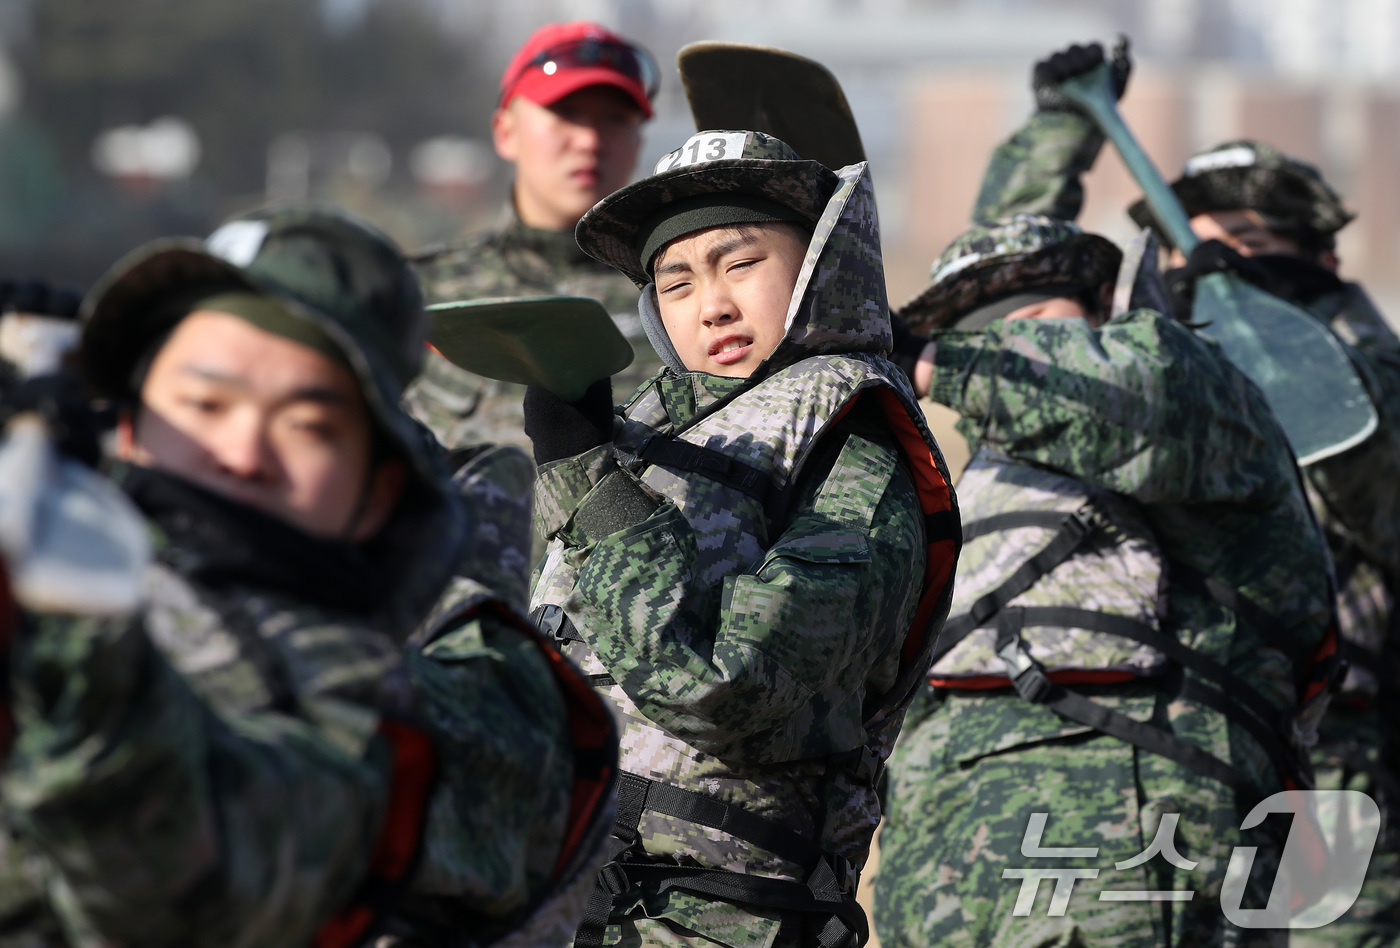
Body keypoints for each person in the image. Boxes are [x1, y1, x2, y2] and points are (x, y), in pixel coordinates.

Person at [0, 207, 617, 948]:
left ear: (382, 488)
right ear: (129, 426)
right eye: (203, 403)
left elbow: (207, 877)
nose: (242, 452)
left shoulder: (477, 704)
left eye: (307, 425)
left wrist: (65, 620)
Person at [974, 40, 1400, 943]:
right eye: (1190, 244)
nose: (1213, 268)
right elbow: (1007, 288)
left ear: (1315, 260)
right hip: (1153, 744)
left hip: (1337, 761)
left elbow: (1377, 491)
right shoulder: (1141, 383)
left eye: (1248, 248)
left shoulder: (1367, 380)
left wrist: (1288, 376)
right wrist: (1059, 131)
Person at [524, 130, 961, 947]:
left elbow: (724, 690)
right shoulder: (644, 432)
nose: (711, 304)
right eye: (676, 280)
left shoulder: (856, 453)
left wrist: (588, 484)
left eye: (741, 263)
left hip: (723, 922)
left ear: (818, 269)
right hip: (566, 902)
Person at [873, 214, 1337, 947]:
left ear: (1102, 312)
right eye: (984, 329)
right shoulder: (975, 496)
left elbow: (1141, 390)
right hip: (945, 868)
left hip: (1142, 847)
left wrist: (930, 359)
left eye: (1037, 321)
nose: (1012, 344)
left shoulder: (1200, 399)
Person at [407, 21, 656, 451]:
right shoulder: (415, 293)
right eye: (566, 113)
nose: (589, 139)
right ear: (506, 132)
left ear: (637, 141)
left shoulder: (680, 295)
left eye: (615, 118)